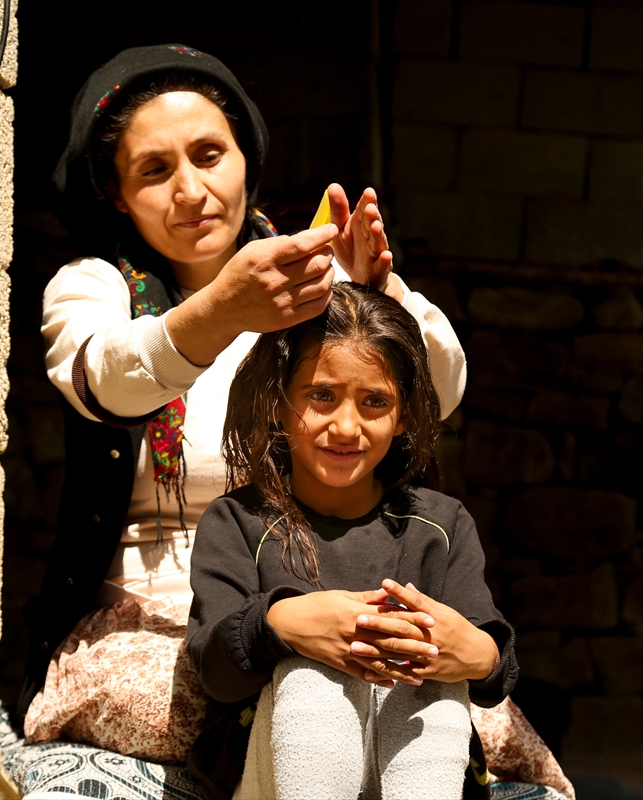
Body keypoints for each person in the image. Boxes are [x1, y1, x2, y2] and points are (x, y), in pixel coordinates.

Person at [18, 43, 466, 728]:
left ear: (246, 161)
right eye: (153, 170)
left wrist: (381, 297)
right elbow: (105, 377)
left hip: (332, 599)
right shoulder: (95, 288)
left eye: (208, 156)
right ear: (115, 191)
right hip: (156, 618)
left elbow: (440, 389)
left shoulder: (321, 282)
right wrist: (222, 311)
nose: (191, 192)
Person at [188, 282, 516, 800]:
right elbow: (215, 673)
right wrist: (283, 624)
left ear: (403, 415)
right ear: (278, 402)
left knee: (433, 684)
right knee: (313, 679)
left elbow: (492, 663)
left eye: (374, 402)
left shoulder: (440, 524)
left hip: (416, 776)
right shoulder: (238, 522)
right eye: (321, 396)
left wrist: (472, 653)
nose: (345, 426)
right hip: (272, 772)